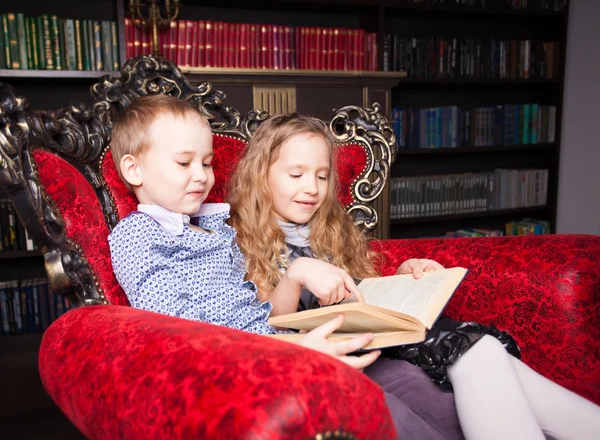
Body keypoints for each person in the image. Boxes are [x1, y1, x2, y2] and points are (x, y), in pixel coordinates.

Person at [107, 94, 463, 439]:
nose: (201, 176)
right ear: (133, 169)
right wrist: (296, 350)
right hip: (240, 366)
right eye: (184, 163)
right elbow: (176, 332)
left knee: (414, 383)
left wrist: (295, 281)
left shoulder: (216, 227)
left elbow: (264, 314)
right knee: (378, 406)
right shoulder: (137, 235)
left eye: (207, 162)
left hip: (279, 343)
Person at [228, 113, 600, 440]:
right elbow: (263, 328)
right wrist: (294, 276)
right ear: (261, 175)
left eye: (322, 176)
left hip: (380, 338)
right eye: (296, 174)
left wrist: (405, 276)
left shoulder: (327, 228)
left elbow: (360, 287)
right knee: (480, 354)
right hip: (331, 354)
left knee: (487, 354)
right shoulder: (232, 239)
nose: (312, 188)